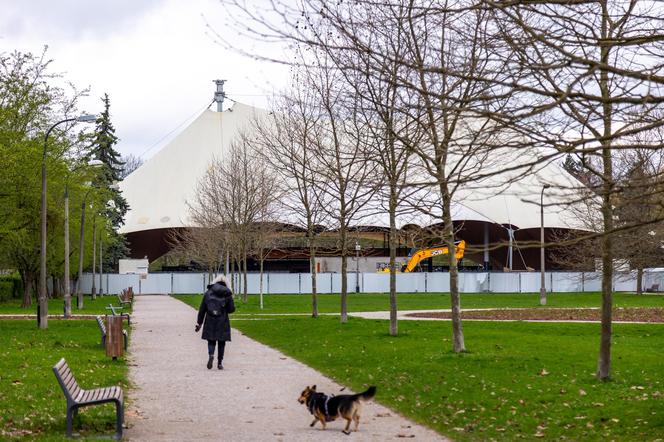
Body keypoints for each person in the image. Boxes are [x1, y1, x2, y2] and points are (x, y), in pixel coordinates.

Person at [195, 275, 235, 369]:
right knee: (222, 342)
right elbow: (231, 309)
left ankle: (211, 355)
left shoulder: (208, 293)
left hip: (210, 319)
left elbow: (202, 309)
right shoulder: (227, 293)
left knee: (211, 340)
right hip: (223, 320)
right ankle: (220, 363)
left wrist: (199, 323)